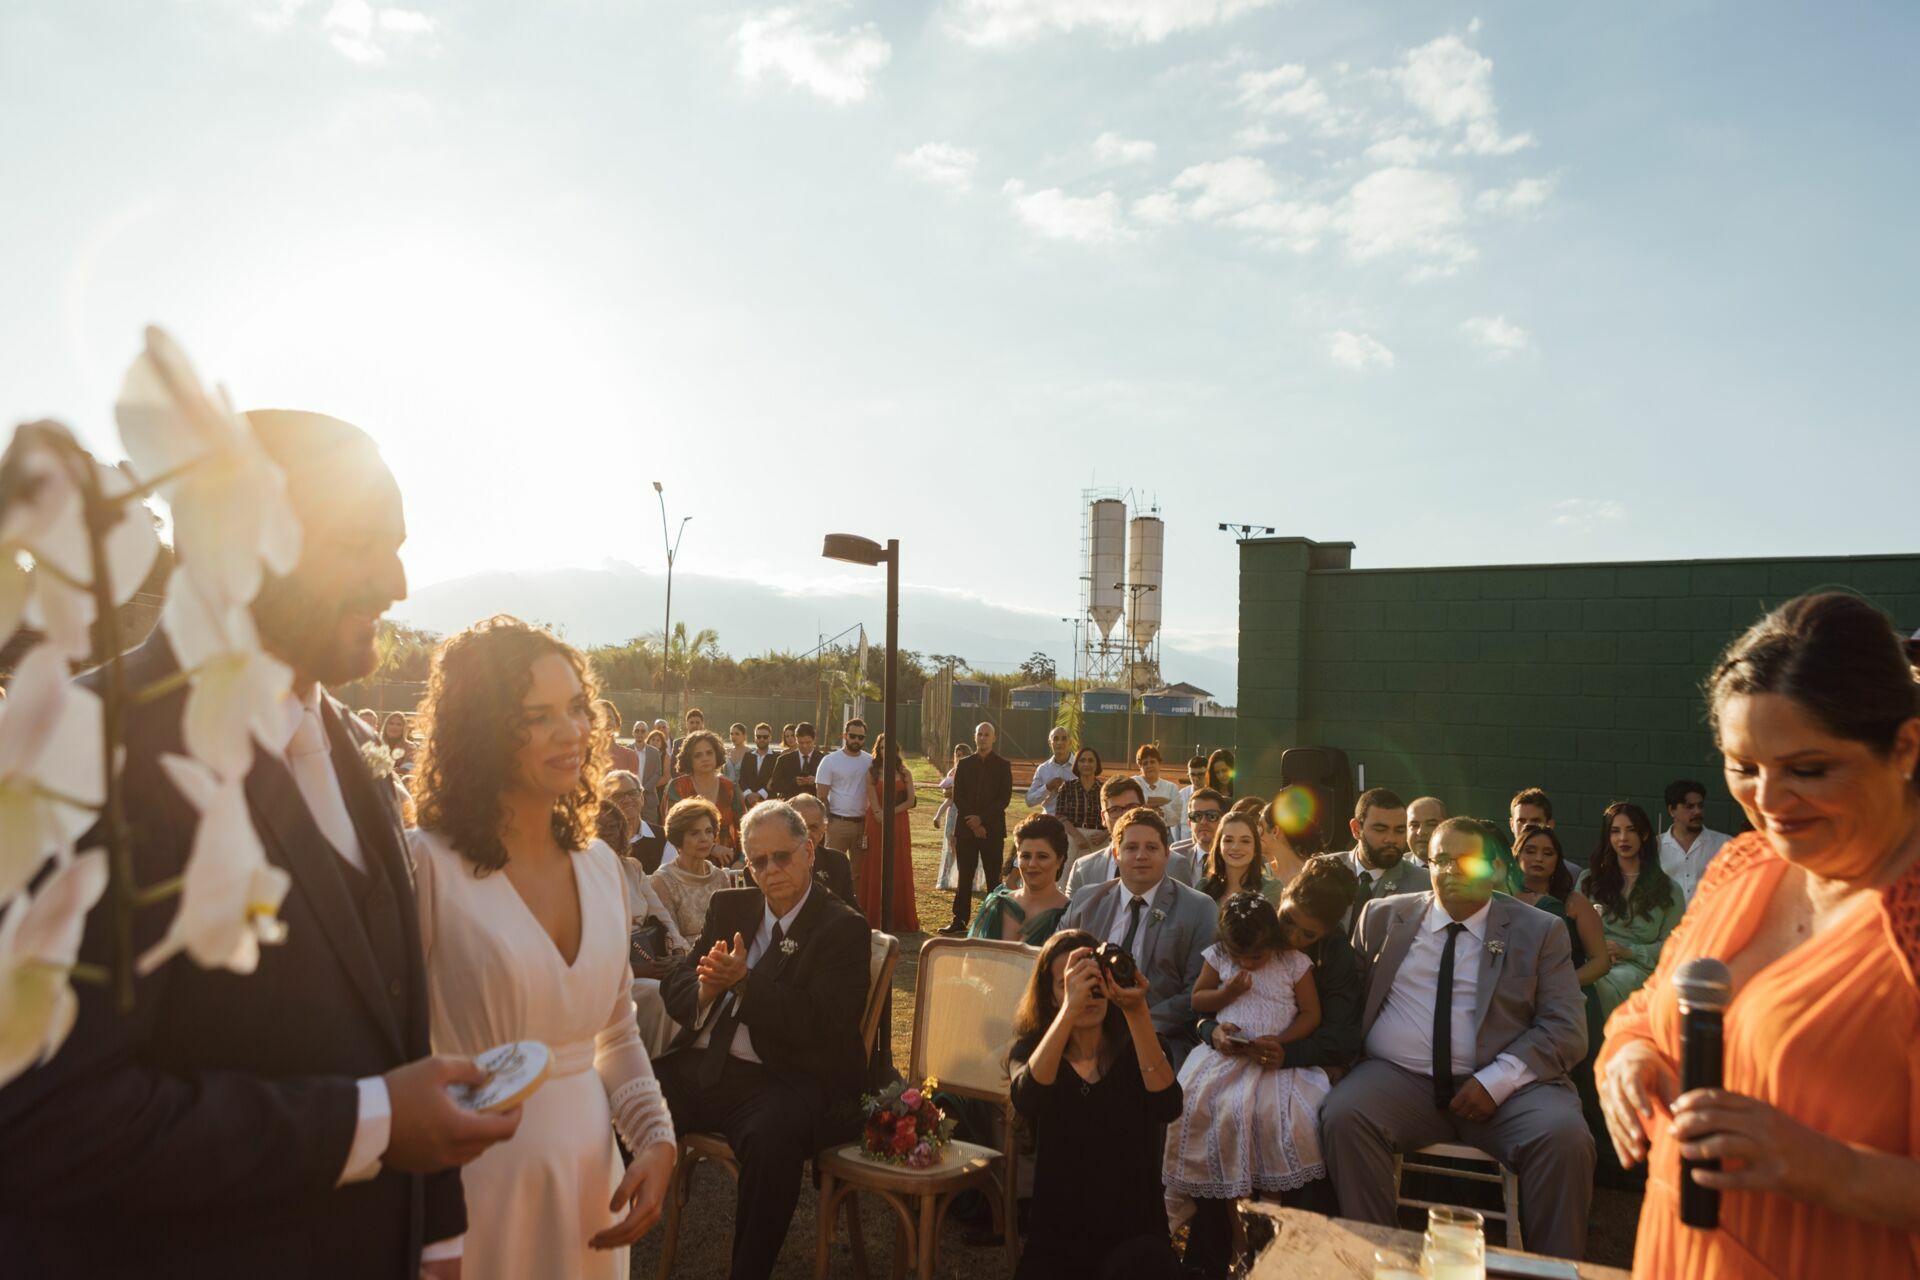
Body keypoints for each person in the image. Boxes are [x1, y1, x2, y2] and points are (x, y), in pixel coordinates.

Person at [0, 410, 518, 1276]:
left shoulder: (340, 737)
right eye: (361, 543)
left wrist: (439, 1236)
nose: (395, 580)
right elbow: (44, 1117)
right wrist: (369, 1123)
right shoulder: (82, 746)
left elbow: (389, 1025)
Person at [1598, 592, 1920, 1279]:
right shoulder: (1742, 866)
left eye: (1808, 769)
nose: (1768, 803)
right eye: (1743, 767)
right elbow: (1647, 1009)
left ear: (1905, 747)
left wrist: (1828, 1168)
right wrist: (1630, 1057)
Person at [406, 618, 677, 1280]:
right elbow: (394, 1050)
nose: (572, 732)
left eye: (578, 708)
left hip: (590, 1179)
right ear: (482, 730)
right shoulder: (425, 866)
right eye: (538, 716)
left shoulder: (600, 866)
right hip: (473, 1188)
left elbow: (615, 1033)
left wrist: (656, 1138)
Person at [1321, 817, 1593, 1259]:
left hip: (1509, 1089)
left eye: (1465, 861)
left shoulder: (1540, 930)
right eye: (1440, 860)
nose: (1450, 871)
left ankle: (1553, 1269)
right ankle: (1376, 1260)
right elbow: (1346, 997)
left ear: (1495, 868)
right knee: (1345, 1115)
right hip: (1401, 1080)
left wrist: (1497, 1081)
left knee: (1564, 1138)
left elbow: (1566, 1028)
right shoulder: (1383, 916)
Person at [656, 801, 872, 1280]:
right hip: (706, 1068)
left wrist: (745, 984)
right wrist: (707, 988)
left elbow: (824, 1020)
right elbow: (676, 984)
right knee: (624, 1096)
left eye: (782, 857)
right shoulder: (730, 905)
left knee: (774, 1138)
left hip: (786, 1078)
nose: (771, 870)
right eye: (759, 861)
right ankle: (592, 1240)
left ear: (809, 851)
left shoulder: (842, 927)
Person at [1171, 893, 1332, 1274]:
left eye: (1254, 958)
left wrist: (1284, 1041)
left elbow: (1311, 1013)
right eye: (1238, 956)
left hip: (1275, 1064)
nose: (1246, 963)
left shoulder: (1292, 961)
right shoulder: (1220, 957)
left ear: (1273, 942)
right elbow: (1198, 1000)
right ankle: (1237, 1238)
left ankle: (1267, 1228)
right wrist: (1226, 995)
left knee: (1274, 1121)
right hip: (1226, 1059)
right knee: (1223, 1118)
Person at [1008, 931, 1184, 1280]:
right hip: (1057, 1240)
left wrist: (1136, 1012)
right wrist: (1068, 1014)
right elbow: (1028, 1098)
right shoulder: (1033, 1052)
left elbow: (1168, 1105)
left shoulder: (1143, 1044)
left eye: (1095, 982)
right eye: (1068, 985)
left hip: (1136, 1237)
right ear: (1051, 996)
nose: (1086, 996)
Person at [1060, 808, 1218, 1063]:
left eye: (1152, 848)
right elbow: (1057, 970)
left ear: (1167, 853)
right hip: (1084, 1032)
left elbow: (1197, 991)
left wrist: (1138, 1024)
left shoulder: (1199, 908)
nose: (1141, 856)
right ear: (1115, 853)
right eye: (1131, 848)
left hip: (1159, 1039)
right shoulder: (1085, 901)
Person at [1577, 801, 1683, 1024]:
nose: (1623, 838)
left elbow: (1673, 947)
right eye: (1615, 831)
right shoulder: (1589, 881)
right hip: (1590, 962)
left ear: (1644, 834)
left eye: (1631, 830)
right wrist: (1597, 950)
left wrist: (1629, 951)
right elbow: (1570, 929)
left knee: (1599, 988)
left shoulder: (1670, 890)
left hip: (1636, 969)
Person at [1513, 824, 1610, 991]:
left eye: (1548, 853)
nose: (1538, 858)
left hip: (1567, 996)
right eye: (1530, 851)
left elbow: (1601, 962)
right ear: (1516, 854)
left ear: (1558, 860)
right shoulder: (1504, 898)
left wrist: (1561, 983)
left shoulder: (1575, 902)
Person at [945, 720, 1013, 936]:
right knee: (965, 875)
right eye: (979, 734)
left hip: (992, 829)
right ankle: (959, 919)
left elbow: (1004, 799)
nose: (982, 738)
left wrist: (981, 820)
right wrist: (973, 823)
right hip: (966, 830)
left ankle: (995, 921)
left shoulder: (1003, 765)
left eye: (986, 735)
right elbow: (959, 796)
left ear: (994, 738)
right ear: (975, 737)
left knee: (994, 877)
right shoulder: (964, 764)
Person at [970, 813, 1071, 944]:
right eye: (1025, 856)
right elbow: (974, 960)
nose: (1032, 864)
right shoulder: (997, 905)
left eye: (1042, 856)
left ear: (1060, 860)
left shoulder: (1069, 915)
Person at [1337, 787, 1430, 928]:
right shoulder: (1322, 871)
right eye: (1380, 829)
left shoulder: (1424, 884)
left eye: (1399, 830)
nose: (1391, 839)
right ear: (1356, 829)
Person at [858, 732, 919, 931]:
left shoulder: (904, 772)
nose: (886, 751)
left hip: (899, 821)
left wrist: (889, 813)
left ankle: (899, 916)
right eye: (882, 747)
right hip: (876, 823)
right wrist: (878, 813)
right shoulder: (871, 772)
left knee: (898, 862)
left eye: (890, 747)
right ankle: (875, 915)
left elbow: (911, 801)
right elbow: (872, 800)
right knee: (876, 863)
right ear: (878, 750)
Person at [652, 797, 729, 941]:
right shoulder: (663, 881)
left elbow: (730, 929)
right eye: (694, 833)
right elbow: (671, 940)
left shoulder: (720, 877)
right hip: (684, 960)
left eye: (708, 831)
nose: (704, 838)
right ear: (678, 838)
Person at [665, 729, 743, 859]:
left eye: (709, 753)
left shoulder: (730, 788)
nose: (705, 758)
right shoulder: (678, 787)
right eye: (698, 755)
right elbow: (672, 830)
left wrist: (740, 861)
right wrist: (712, 847)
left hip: (728, 864)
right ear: (689, 759)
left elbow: (744, 828)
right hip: (689, 863)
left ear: (716, 755)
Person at [813, 719, 872, 880]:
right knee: (832, 870)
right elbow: (821, 796)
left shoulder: (870, 761)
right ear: (844, 735)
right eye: (853, 736)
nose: (856, 741)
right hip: (838, 823)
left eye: (861, 737)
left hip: (863, 825)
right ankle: (832, 904)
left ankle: (856, 904)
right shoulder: (830, 761)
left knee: (859, 873)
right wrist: (829, 821)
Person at [1656, 778, 1729, 902]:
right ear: (1672, 810)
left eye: (1700, 806)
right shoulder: (1655, 846)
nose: (1697, 811)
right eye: (1689, 807)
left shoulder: (1724, 845)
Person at [783, 794, 858, 907]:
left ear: (824, 828)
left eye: (813, 827)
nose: (806, 833)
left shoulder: (838, 862)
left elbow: (853, 913)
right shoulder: (765, 865)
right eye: (799, 827)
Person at [1198, 810, 1283, 907]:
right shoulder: (1203, 887)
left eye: (1245, 841)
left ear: (1255, 848)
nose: (1235, 847)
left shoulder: (1272, 889)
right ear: (1218, 846)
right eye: (1228, 840)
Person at [932, 743, 983, 892]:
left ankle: (971, 881)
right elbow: (947, 796)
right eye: (957, 755)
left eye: (962, 755)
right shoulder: (952, 773)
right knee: (951, 846)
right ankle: (946, 879)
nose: (959, 758)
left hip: (967, 812)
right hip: (953, 812)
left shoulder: (973, 771)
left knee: (968, 848)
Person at [1055, 746, 1107, 859]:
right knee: (1066, 876)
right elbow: (1060, 816)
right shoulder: (1067, 787)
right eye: (1082, 760)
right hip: (1072, 837)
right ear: (1077, 764)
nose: (1086, 764)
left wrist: (1105, 834)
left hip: (1099, 839)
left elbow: (1115, 815)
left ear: (1097, 764)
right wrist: (1077, 836)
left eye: (1091, 760)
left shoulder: (1106, 789)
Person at [1131, 744, 1186, 839]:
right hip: (1137, 833)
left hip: (1164, 834)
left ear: (1159, 763)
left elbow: (1175, 818)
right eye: (1145, 763)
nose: (1149, 766)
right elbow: (1133, 806)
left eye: (1152, 762)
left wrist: (1148, 807)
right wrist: (1164, 801)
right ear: (1140, 766)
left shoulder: (1171, 787)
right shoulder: (1133, 783)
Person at [1169, 786, 1227, 872]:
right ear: (1189, 823)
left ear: (1223, 820)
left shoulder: (1233, 858)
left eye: (1211, 816)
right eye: (1196, 816)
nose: (1203, 822)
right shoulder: (1175, 857)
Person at [1025, 726, 1076, 816]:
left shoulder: (1080, 767)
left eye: (1064, 739)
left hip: (1074, 822)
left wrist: (1068, 790)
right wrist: (1047, 787)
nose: (1060, 743)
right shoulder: (1043, 769)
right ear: (1050, 743)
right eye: (1055, 739)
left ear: (1070, 742)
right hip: (1049, 821)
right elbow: (1029, 801)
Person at [768, 721, 823, 801]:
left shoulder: (823, 760)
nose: (805, 746)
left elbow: (833, 785)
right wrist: (794, 782)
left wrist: (816, 782)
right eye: (801, 743)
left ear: (814, 740)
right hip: (791, 806)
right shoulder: (784, 760)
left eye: (808, 742)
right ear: (796, 740)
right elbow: (775, 785)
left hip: (814, 807)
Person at [736, 722, 780, 809]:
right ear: (755, 738)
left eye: (765, 737)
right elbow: (742, 779)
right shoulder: (747, 756)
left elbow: (775, 781)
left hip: (769, 804)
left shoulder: (777, 758)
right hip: (748, 803)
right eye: (758, 736)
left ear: (770, 738)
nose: (761, 739)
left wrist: (759, 795)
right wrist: (748, 794)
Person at [600, 700, 640, 776]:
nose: (607, 722)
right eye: (602, 718)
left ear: (616, 723)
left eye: (610, 717)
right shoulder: (586, 757)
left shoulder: (630, 756)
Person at [1174, 755, 1207, 845]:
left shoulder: (1216, 795)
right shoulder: (1180, 796)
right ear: (1188, 775)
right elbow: (1175, 826)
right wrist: (1179, 844)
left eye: (1200, 774)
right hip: (1185, 846)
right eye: (1192, 774)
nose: (1196, 779)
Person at [1407, 795, 1447, 867]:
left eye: (1431, 824)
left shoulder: (1466, 869)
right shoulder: (1391, 869)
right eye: (1414, 825)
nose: (1421, 832)